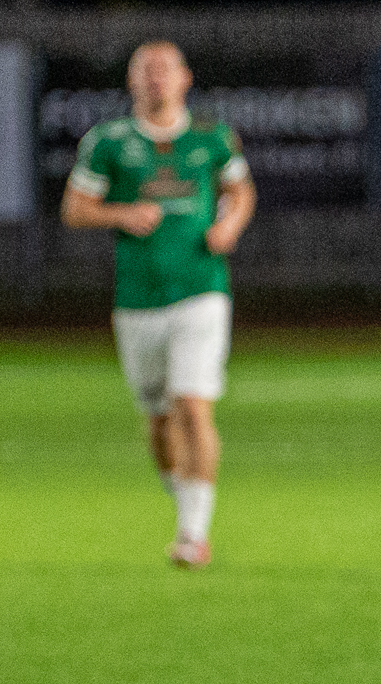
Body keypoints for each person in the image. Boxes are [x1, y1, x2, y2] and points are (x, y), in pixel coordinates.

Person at [61, 41, 255, 569]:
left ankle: (193, 534)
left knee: (193, 405)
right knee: (159, 420)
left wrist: (230, 226)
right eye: (145, 71)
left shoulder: (212, 137)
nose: (155, 79)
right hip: (138, 300)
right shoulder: (109, 142)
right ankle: (183, 492)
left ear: (185, 79)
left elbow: (241, 191)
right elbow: (75, 209)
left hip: (202, 289)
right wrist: (121, 214)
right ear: (131, 81)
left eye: (165, 70)